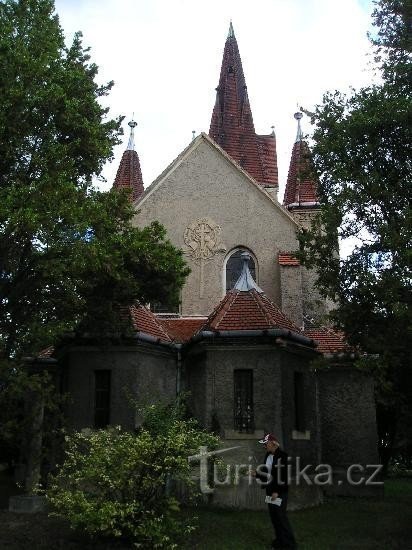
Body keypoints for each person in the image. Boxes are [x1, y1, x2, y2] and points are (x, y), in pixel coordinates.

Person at [253, 433, 297, 549]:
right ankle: (279, 543)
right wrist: (256, 474)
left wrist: (276, 491)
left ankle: (289, 545)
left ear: (273, 444)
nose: (264, 446)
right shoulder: (268, 456)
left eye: (265, 444)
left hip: (278, 493)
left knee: (281, 518)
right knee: (274, 518)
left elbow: (283, 476)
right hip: (269, 491)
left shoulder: (283, 456)